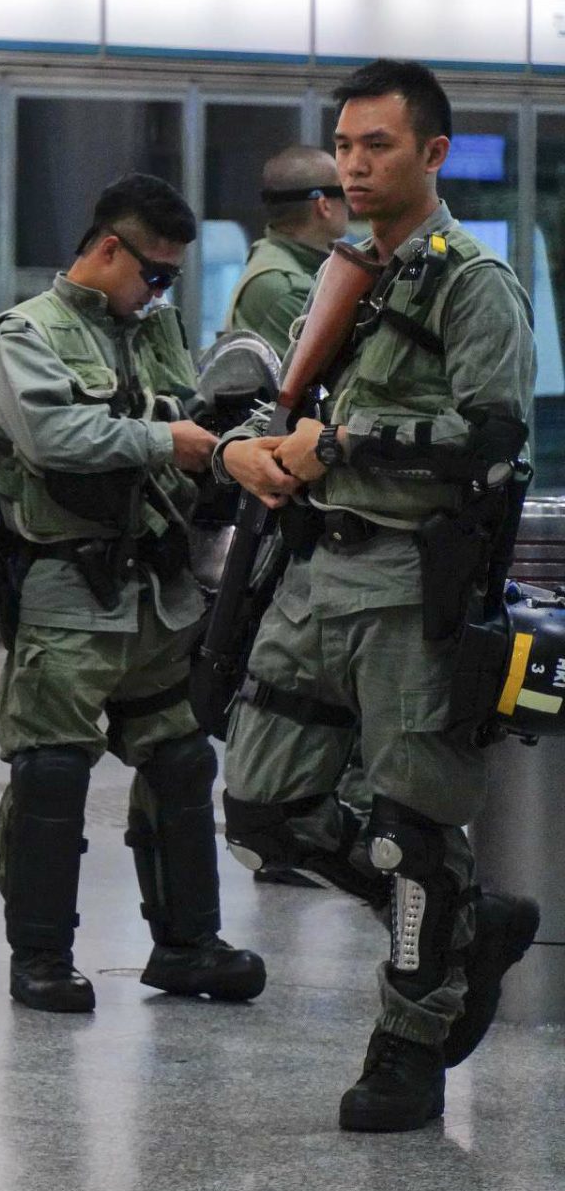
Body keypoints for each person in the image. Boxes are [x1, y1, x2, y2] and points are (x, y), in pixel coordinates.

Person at [215, 59, 541, 1133]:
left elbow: (494, 441)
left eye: (378, 147)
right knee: (263, 807)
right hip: (312, 573)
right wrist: (251, 451)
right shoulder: (338, 275)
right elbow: (281, 404)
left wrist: (342, 444)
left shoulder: (469, 281)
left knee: (411, 825)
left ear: (432, 154)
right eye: (344, 146)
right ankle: (462, 921)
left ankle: (409, 1041)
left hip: (410, 583)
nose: (354, 165)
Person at [0, 174, 264, 1014]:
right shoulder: (26, 334)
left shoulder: (150, 328)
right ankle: (42, 958)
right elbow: (53, 436)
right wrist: (167, 438)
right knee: (52, 770)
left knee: (180, 758)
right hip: (66, 584)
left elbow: (191, 404)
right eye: (154, 273)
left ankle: (188, 944)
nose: (161, 291)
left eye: (172, 278)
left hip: (156, 589)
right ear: (105, 249)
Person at [222, 147, 375, 869]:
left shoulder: (302, 273)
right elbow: (322, 379)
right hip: (297, 493)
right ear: (323, 204)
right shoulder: (283, 285)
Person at [225, 146, 353, 356]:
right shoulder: (285, 288)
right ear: (324, 205)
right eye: (343, 192)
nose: (349, 204)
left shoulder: (280, 258)